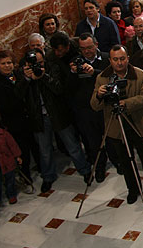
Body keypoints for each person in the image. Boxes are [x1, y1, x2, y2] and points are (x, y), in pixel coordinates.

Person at [90, 45, 143, 203]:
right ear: (110, 60)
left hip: (139, 124)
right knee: (125, 160)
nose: (119, 63)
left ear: (128, 59)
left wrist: (126, 103)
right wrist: (99, 95)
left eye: (122, 59)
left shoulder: (139, 74)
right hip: (117, 127)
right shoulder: (102, 78)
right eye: (115, 59)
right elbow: (95, 106)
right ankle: (133, 188)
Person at [16, 47, 91, 193]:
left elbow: (59, 89)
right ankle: (48, 177)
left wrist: (44, 76)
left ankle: (85, 170)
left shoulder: (53, 67)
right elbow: (18, 95)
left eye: (40, 62)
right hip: (39, 117)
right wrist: (26, 79)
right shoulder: (22, 73)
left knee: (73, 145)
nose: (38, 66)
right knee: (44, 150)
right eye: (34, 63)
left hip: (58, 114)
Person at [67, 33, 117, 182]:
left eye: (89, 47)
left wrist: (94, 73)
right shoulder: (76, 63)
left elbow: (113, 77)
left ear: (96, 45)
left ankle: (117, 161)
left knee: (112, 137)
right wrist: (73, 73)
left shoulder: (107, 58)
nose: (87, 51)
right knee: (93, 142)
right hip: (86, 109)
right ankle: (99, 167)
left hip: (105, 106)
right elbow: (68, 88)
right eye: (83, 49)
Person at [0, 50, 39, 184]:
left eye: (9, 62)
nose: (7, 66)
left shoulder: (17, 75)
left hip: (28, 118)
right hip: (14, 122)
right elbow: (11, 101)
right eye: (3, 63)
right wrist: (25, 81)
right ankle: (26, 176)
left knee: (35, 145)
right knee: (22, 150)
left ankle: (41, 167)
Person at [0, 118, 22, 208]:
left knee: (10, 180)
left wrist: (17, 156)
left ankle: (11, 195)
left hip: (8, 161)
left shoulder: (5, 134)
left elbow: (13, 146)